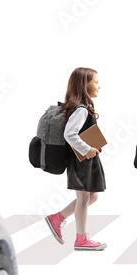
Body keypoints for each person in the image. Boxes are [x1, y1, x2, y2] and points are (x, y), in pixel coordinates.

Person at [45, 68, 107, 251]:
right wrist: (87, 149)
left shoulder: (83, 107)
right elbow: (69, 134)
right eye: (95, 82)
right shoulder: (81, 109)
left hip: (86, 159)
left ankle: (57, 218)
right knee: (83, 198)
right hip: (81, 159)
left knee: (92, 196)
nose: (99, 86)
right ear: (84, 84)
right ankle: (81, 239)